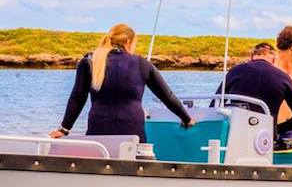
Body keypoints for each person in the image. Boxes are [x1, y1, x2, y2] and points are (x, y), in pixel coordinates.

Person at [52, 24, 193, 142]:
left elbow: (77, 98)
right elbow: (167, 96)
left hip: (99, 128)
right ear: (128, 42)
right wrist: (186, 118)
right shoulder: (142, 64)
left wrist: (64, 129)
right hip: (132, 130)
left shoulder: (89, 62)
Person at [220, 42, 292, 142]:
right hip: (264, 141)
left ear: (251, 56)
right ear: (274, 60)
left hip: (235, 136)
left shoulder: (234, 71)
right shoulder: (283, 77)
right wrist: (275, 129)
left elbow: (214, 105)